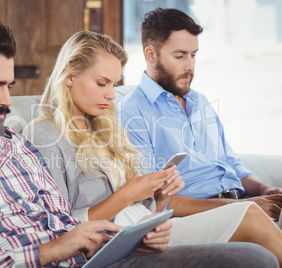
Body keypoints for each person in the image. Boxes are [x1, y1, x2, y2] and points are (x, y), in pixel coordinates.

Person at [0, 18, 273, 268]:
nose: (5, 99)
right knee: (250, 257)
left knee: (252, 256)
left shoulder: (15, 145)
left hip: (94, 254)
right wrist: (52, 250)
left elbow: (66, 221)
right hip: (63, 259)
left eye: (8, 86)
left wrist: (130, 232)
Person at [23, 29, 282, 266]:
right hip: (114, 244)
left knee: (251, 220)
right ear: (69, 77)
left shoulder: (103, 126)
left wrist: (160, 198)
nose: (112, 94)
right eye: (102, 83)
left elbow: (141, 210)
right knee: (250, 215)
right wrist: (127, 194)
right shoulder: (43, 134)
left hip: (142, 230)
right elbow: (59, 227)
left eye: (114, 84)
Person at [117, 8, 282, 220]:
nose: (190, 66)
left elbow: (232, 165)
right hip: (202, 215)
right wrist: (241, 207)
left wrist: (266, 190)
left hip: (240, 203)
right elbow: (153, 201)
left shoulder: (199, 101)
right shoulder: (131, 113)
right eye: (180, 56)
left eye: (193, 55)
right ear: (151, 55)